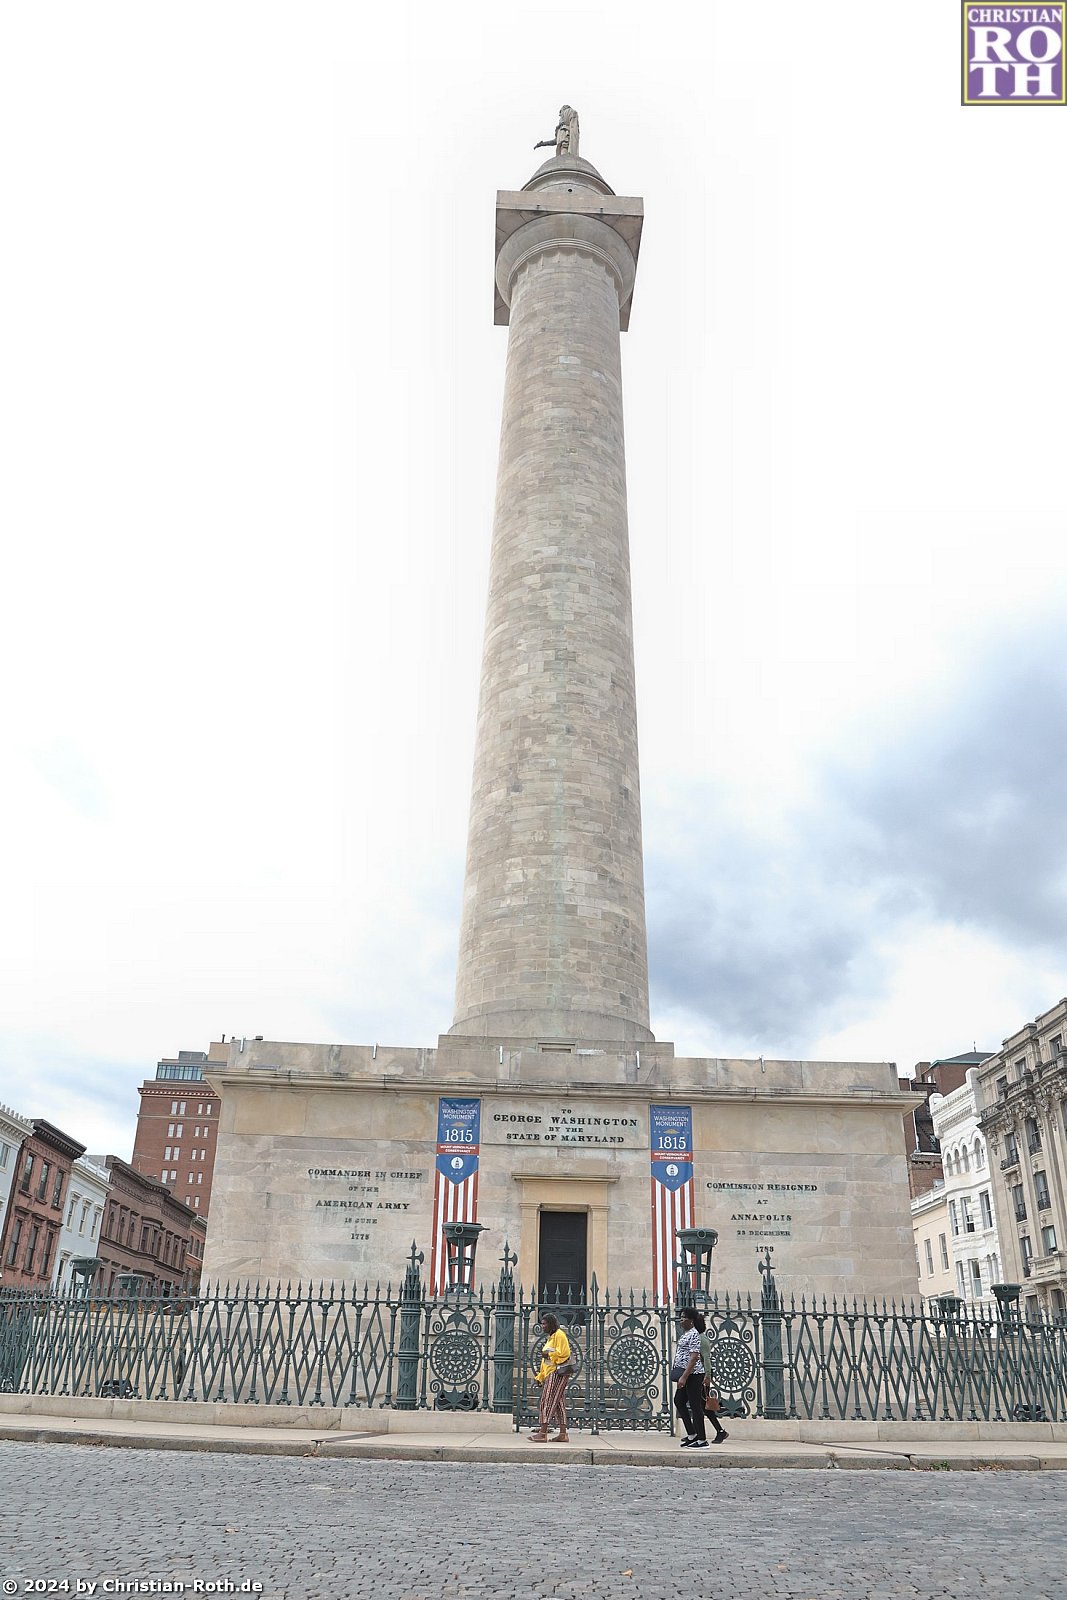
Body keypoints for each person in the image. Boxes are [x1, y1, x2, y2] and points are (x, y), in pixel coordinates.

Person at [672, 1307, 719, 1448]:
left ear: (691, 1320)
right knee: (679, 1400)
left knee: (695, 1406)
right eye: (680, 1317)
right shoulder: (687, 1333)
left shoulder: (694, 1335)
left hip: (693, 1375)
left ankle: (702, 1440)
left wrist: (684, 1377)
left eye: (684, 1318)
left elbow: (694, 1358)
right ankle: (692, 1434)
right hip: (686, 1374)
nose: (681, 1320)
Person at [529, 1312, 572, 1443]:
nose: (542, 1326)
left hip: (557, 1373)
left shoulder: (559, 1335)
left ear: (551, 1324)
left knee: (547, 1401)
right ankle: (563, 1434)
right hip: (550, 1373)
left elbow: (564, 1353)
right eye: (541, 1323)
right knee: (559, 1404)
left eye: (544, 1323)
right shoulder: (551, 1338)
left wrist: (548, 1355)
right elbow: (545, 1363)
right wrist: (540, 1377)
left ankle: (543, 1433)